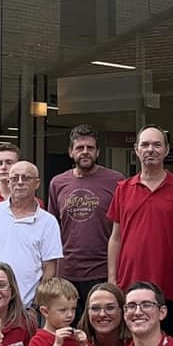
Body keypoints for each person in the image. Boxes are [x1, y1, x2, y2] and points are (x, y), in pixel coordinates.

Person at [107, 126, 173, 338]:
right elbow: (115, 238)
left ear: (166, 150)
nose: (150, 149)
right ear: (136, 149)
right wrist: (111, 280)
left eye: (156, 144)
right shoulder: (123, 189)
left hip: (170, 287)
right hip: (129, 286)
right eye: (145, 144)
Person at [49, 124, 123, 305]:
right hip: (67, 273)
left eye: (90, 148)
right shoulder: (58, 183)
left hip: (102, 271)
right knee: (67, 328)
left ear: (97, 152)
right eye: (79, 148)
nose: (85, 152)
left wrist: (114, 277)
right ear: (70, 152)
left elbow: (123, 228)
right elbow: (52, 230)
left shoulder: (116, 181)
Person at [0, 161, 61, 306]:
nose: (19, 182)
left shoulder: (48, 222)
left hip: (26, 307)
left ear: (37, 183)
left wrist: (36, 306)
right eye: (14, 178)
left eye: (26, 178)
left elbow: (49, 270)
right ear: (8, 182)